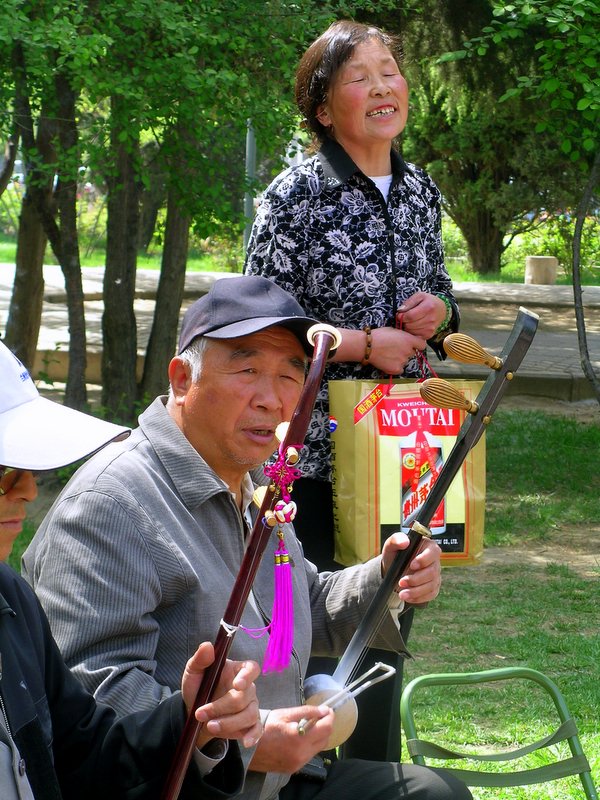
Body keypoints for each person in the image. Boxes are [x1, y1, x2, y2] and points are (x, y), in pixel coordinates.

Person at [23, 276, 471, 800]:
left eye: (290, 375)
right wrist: (244, 743)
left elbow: (294, 607)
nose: (273, 399)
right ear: (182, 379)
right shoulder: (111, 505)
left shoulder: (252, 482)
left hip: (285, 780)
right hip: (193, 787)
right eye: (248, 369)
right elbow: (94, 699)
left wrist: (388, 578)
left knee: (433, 793)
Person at [244, 19, 460, 761]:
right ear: (323, 106)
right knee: (293, 636)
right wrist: (365, 344)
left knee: (384, 625)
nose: (382, 87)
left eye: (390, 71)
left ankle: (371, 775)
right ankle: (281, 766)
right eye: (360, 76)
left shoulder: (419, 189)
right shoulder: (293, 196)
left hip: (403, 451)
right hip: (306, 467)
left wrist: (442, 311)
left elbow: (441, 293)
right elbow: (259, 329)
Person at [0, 339, 262, 799]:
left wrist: (190, 719)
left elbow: (85, 756)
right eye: (3, 470)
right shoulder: (107, 502)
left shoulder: (10, 600)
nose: (25, 489)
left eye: (28, 468)